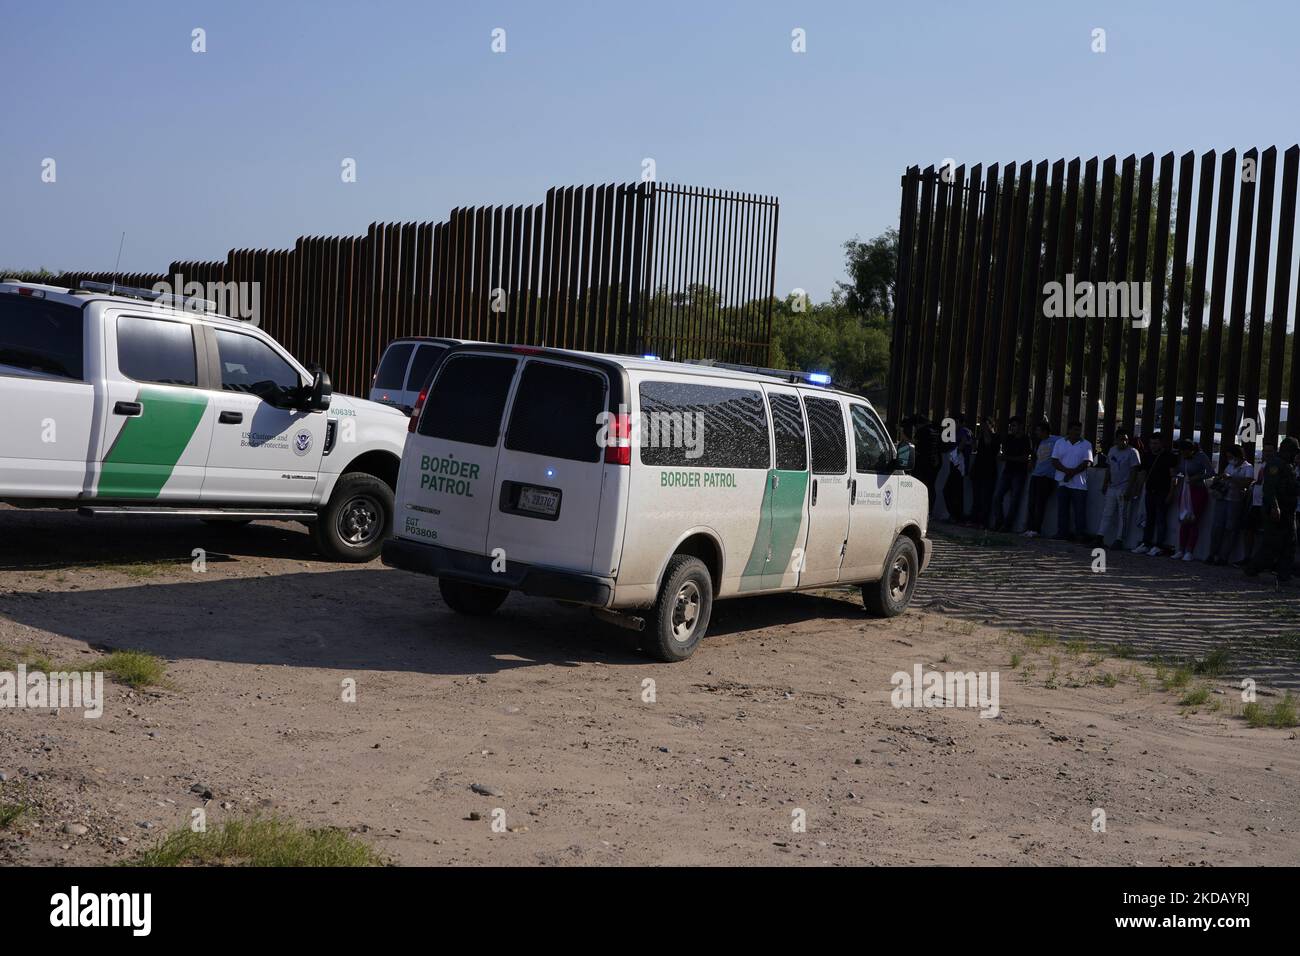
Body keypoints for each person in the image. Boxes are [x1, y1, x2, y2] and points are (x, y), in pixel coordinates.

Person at [1245, 437, 1298, 584]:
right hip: (1277, 510)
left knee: (1290, 543)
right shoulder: (1275, 464)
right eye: (1293, 452)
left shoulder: (1288, 465)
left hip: (1288, 510)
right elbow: (1269, 489)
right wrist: (1275, 507)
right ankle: (1253, 568)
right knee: (1272, 543)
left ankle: (1284, 574)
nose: (1295, 455)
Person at [1206, 443, 1253, 565]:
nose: (1229, 459)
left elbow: (1246, 483)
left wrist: (1231, 478)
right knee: (1217, 527)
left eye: (1231, 456)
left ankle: (1223, 557)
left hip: (1235, 501)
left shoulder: (1248, 467)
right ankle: (1212, 554)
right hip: (1223, 498)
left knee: (1230, 529)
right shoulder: (1230, 465)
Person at [1134, 433, 1178, 555]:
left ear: (1161, 444)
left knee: (1161, 519)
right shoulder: (1147, 456)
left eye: (1156, 443)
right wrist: (1138, 489)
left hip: (1162, 492)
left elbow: (1173, 477)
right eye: (1151, 443)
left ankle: (1159, 544)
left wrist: (1171, 493)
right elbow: (1142, 473)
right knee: (1149, 519)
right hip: (1150, 491)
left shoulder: (1169, 457)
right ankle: (1146, 543)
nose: (1153, 446)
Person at [1098, 428, 1140, 549]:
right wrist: (1105, 483)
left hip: (1124, 486)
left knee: (1123, 515)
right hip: (1112, 486)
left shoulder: (1132, 452)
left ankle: (1119, 539)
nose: (1124, 442)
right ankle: (1100, 536)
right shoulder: (1112, 450)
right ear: (1116, 440)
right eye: (1121, 439)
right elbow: (1109, 468)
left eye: (1126, 440)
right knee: (1107, 513)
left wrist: (1129, 488)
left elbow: (1134, 472)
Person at [1051, 420, 1093, 542]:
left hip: (1079, 484)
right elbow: (1054, 460)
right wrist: (1067, 472)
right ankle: (1062, 532)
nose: (1077, 432)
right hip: (1063, 481)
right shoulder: (1060, 442)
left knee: (1079, 510)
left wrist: (1071, 473)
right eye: (1075, 429)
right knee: (1062, 509)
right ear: (1069, 430)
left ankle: (1080, 534)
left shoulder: (1086, 444)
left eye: (1079, 430)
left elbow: (1087, 462)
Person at [990, 416, 1032, 532]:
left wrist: (1007, 457)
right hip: (1008, 471)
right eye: (1011, 426)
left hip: (1019, 473)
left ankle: (1007, 525)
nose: (1012, 428)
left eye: (1014, 426)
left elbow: (1024, 458)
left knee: (1014, 500)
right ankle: (999, 521)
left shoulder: (1025, 439)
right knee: (997, 497)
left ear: (1020, 426)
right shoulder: (1009, 438)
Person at [1172, 438, 1212, 561]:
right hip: (1185, 490)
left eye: (1185, 452)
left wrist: (1198, 477)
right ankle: (1180, 549)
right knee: (1183, 520)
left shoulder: (1201, 456)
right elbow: (1179, 468)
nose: (1183, 454)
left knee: (1193, 520)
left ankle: (1190, 550)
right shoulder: (1183, 457)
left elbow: (1211, 472)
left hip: (1197, 490)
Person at [1024, 420, 1061, 538]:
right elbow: (1036, 456)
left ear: (1044, 431)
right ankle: (1029, 527)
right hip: (1036, 475)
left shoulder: (1056, 440)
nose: (1036, 432)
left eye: (1038, 430)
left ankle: (1036, 529)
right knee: (1031, 503)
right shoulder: (1038, 442)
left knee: (1040, 503)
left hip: (1047, 477)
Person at [1241, 441, 1275, 565]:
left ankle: (1263, 560)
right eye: (1265, 451)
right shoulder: (1262, 465)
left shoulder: (1274, 466)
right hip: (1256, 502)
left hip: (1265, 503)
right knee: (1249, 530)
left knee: (1265, 533)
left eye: (1270, 451)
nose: (1267, 453)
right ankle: (1248, 557)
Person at [970, 415, 1000, 527]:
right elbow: (975, 450)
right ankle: (975, 519)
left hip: (989, 470)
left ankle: (983, 521)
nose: (983, 427)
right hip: (978, 469)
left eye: (985, 425)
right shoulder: (981, 436)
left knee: (986, 498)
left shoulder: (995, 437)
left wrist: (986, 432)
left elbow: (991, 448)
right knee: (976, 497)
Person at [942, 414, 973, 523]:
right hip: (957, 464)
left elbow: (964, 443)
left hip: (959, 465)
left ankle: (955, 515)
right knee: (954, 491)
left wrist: (959, 450)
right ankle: (955, 515)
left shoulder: (963, 431)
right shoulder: (960, 432)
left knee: (950, 490)